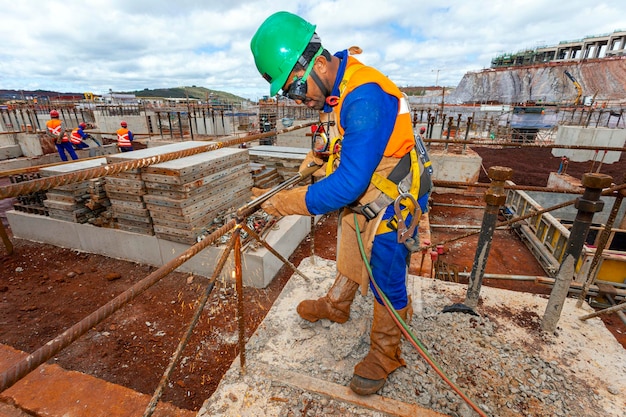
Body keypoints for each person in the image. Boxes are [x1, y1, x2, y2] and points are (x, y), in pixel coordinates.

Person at [250, 11, 432, 396]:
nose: (300, 99)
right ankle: (337, 305)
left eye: (297, 89)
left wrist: (287, 203)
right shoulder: (338, 86)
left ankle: (386, 354)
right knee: (350, 240)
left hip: (396, 193)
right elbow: (340, 142)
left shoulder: (364, 96)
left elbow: (349, 185)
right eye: (291, 94)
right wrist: (319, 157)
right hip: (372, 180)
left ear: (316, 63)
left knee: (385, 270)